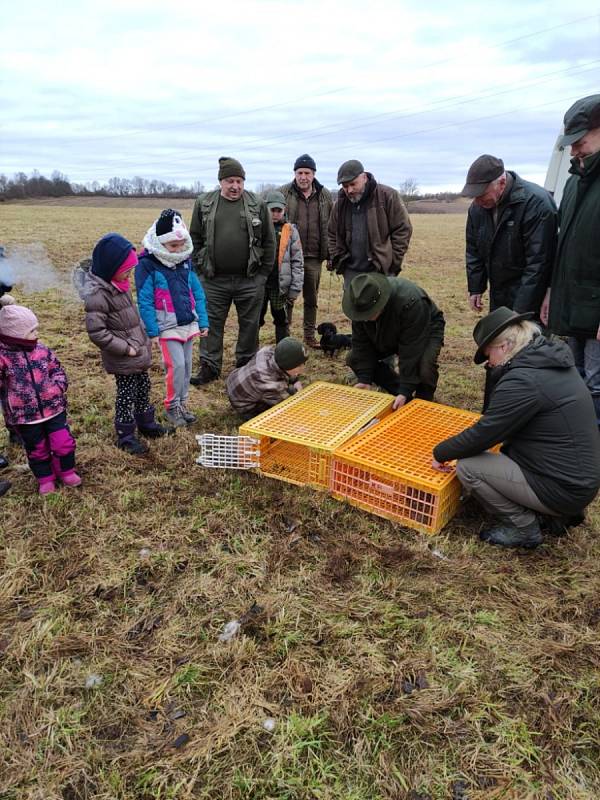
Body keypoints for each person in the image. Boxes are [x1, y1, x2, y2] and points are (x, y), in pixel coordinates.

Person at [432, 307, 600, 548]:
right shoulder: (548, 360)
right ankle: (556, 513)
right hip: (578, 480)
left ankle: (522, 527)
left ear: (503, 347)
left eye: (488, 354)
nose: (488, 364)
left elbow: (485, 434)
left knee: (470, 466)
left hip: (563, 487)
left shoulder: (524, 381)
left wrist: (442, 452)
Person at [189, 157, 276, 385]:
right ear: (221, 182)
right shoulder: (204, 202)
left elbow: (269, 242)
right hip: (213, 280)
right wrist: (199, 271)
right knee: (211, 324)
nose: (235, 186)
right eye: (230, 181)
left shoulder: (257, 204)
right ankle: (209, 366)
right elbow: (195, 238)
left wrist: (262, 275)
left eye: (239, 181)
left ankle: (246, 366)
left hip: (249, 280)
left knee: (250, 325)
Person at [82, 233, 170, 455]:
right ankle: (126, 436)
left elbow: (130, 318)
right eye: (127, 270)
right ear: (112, 267)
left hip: (137, 352)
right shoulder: (98, 295)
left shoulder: (119, 285)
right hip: (124, 357)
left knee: (143, 388)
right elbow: (97, 332)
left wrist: (143, 339)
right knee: (126, 395)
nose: (130, 274)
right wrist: (126, 348)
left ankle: (147, 424)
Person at [541, 95, 600, 427]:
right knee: (575, 378)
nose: (574, 151)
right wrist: (552, 290)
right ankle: (577, 443)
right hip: (574, 302)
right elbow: (563, 244)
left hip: (596, 309)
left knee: (596, 384)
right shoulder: (575, 182)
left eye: (580, 142)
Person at [136, 209, 209, 427]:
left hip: (187, 323)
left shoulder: (185, 262)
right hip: (166, 327)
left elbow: (197, 293)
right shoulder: (148, 265)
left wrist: (202, 320)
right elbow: (145, 300)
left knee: (186, 366)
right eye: (173, 246)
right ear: (161, 243)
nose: (178, 250)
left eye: (180, 245)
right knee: (175, 366)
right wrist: (152, 331)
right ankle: (171, 405)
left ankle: (182, 403)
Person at [0, 304, 81, 495]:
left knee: (63, 442)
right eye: (31, 331)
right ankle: (45, 478)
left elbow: (57, 369)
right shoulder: (3, 358)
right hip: (25, 417)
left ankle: (67, 470)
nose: (36, 333)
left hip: (54, 409)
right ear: (14, 335)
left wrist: (58, 387)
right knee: (37, 449)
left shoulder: (42, 350)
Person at [462, 154, 557, 315]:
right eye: (474, 196)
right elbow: (474, 250)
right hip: (499, 294)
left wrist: (521, 310)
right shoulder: (477, 209)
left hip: (532, 298)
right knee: (502, 338)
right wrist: (476, 287)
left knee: (527, 339)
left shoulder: (536, 203)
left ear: (502, 183)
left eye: (482, 194)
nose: (477, 201)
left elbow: (538, 263)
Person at [342, 273, 445, 410]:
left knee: (425, 368)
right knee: (354, 358)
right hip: (386, 330)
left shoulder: (411, 302)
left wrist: (406, 388)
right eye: (363, 316)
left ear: (380, 304)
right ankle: (402, 397)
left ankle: (423, 402)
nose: (365, 319)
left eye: (369, 314)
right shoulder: (360, 303)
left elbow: (411, 350)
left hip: (425, 327)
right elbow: (361, 342)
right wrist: (364, 379)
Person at [328, 160, 413, 289]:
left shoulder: (388, 196)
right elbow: (331, 233)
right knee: (352, 308)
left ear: (364, 178)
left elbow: (403, 229)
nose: (349, 190)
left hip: (380, 271)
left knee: (382, 308)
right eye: (345, 186)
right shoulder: (340, 204)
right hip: (351, 273)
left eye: (353, 184)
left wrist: (392, 262)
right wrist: (338, 258)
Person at [278, 155, 333, 348]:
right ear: (295, 173)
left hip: (313, 257)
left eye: (307, 173)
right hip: (288, 256)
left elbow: (331, 226)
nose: (303, 177)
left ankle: (309, 336)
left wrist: (330, 254)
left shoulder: (325, 195)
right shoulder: (283, 193)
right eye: (299, 173)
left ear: (313, 174)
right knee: (288, 297)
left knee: (311, 299)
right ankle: (284, 336)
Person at [259, 191, 304, 343]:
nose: (276, 214)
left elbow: (297, 261)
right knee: (255, 317)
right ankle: (250, 352)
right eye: (272, 210)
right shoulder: (258, 228)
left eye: (279, 210)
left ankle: (284, 351)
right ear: (266, 209)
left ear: (284, 210)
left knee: (280, 317)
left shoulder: (290, 230)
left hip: (279, 285)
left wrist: (295, 287)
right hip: (260, 283)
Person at [226, 337, 307, 421]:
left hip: (234, 379)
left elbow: (284, 367)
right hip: (242, 403)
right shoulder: (270, 384)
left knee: (288, 387)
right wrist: (295, 394)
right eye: (299, 366)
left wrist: (295, 380)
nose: (303, 369)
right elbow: (286, 405)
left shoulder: (268, 351)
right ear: (287, 365)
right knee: (277, 416)